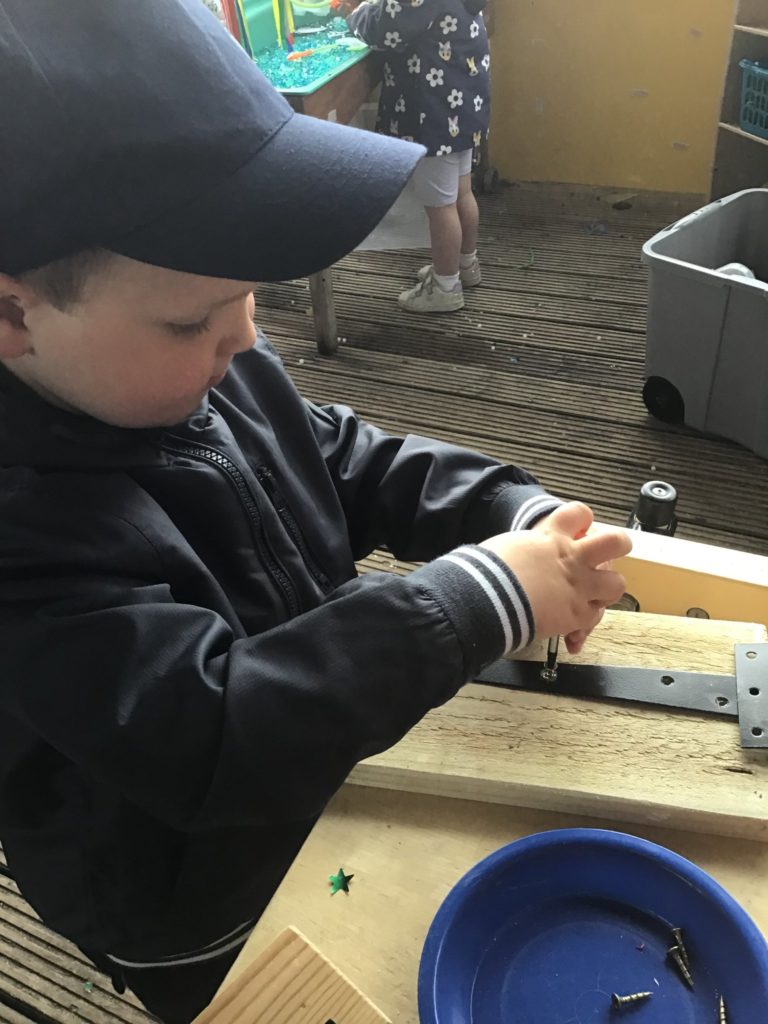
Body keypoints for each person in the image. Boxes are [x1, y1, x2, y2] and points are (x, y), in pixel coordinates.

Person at [0, 1, 631, 1022]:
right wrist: (472, 601)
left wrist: (506, 508)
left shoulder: (188, 374)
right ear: (12, 311)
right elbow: (209, 730)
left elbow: (344, 458)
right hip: (195, 896)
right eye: (196, 319)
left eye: (252, 296)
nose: (247, 339)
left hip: (316, 785)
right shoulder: (23, 538)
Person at [343, 0, 491, 314]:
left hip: (433, 112)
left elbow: (388, 28)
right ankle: (464, 265)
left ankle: (445, 287)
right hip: (462, 102)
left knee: (441, 207)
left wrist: (356, 15)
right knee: (462, 193)